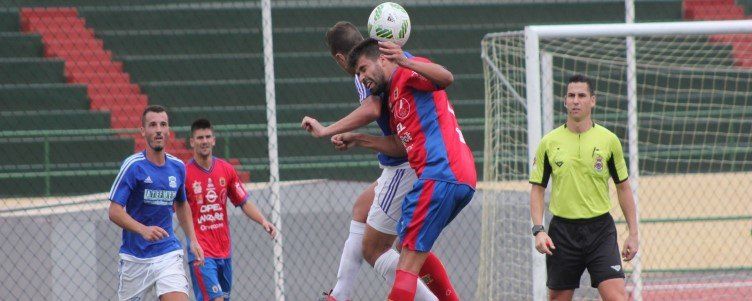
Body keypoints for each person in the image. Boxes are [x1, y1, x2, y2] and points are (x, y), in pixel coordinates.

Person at [302, 22, 443, 301]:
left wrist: (328, 129)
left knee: (376, 250)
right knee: (367, 214)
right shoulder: (390, 58)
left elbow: (372, 108)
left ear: (340, 58)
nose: (361, 76)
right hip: (413, 160)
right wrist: (354, 136)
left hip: (405, 165)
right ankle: (339, 295)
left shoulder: (364, 69)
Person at [340, 38, 477, 301]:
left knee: (405, 268)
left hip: (439, 174)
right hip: (460, 178)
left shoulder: (408, 71)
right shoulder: (394, 96)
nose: (362, 78)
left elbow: (446, 77)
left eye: (363, 69)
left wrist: (403, 59)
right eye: (357, 74)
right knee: (407, 248)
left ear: (383, 57)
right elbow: (398, 145)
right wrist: (358, 139)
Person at [528, 74, 639, 301]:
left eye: (581, 95)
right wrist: (539, 230)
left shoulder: (609, 140)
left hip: (600, 231)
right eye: (571, 95)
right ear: (565, 101)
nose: (576, 100)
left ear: (592, 101)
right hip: (562, 232)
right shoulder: (549, 143)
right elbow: (537, 189)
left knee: (617, 297)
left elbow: (624, 188)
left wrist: (633, 233)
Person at [108, 105, 204, 301]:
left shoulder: (178, 167)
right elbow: (114, 211)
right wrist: (143, 230)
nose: (158, 129)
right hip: (135, 257)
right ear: (143, 131)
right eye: (152, 125)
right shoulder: (133, 166)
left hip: (167, 253)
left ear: (168, 131)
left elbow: (182, 204)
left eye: (163, 124)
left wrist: (192, 239)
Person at [185, 118, 277, 301]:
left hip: (224, 251)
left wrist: (263, 221)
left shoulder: (226, 170)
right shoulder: (184, 173)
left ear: (214, 140)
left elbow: (243, 201)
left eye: (207, 137)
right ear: (192, 142)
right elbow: (177, 208)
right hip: (201, 252)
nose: (204, 141)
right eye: (200, 137)